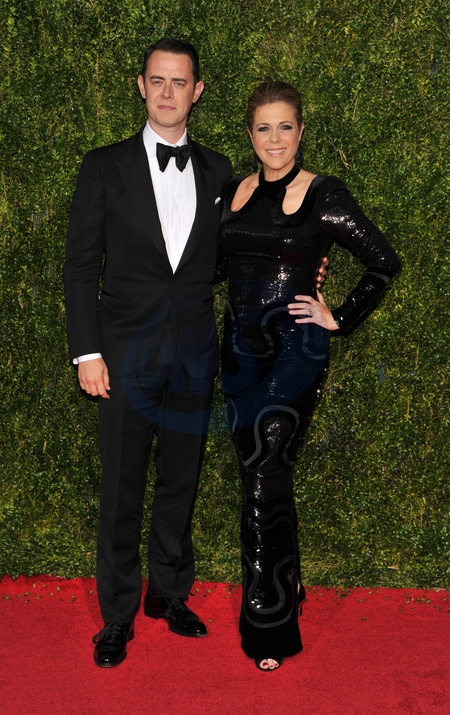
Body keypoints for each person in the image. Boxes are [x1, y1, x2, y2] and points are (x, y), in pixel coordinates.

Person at [218, 81, 401, 671]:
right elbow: (218, 267)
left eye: (285, 127)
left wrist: (338, 316)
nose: (274, 139)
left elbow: (383, 261)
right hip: (238, 354)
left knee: (263, 471)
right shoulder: (234, 192)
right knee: (262, 477)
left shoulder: (325, 194)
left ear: (300, 131)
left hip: (295, 354)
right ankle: (288, 584)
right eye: (263, 128)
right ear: (250, 134)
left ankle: (268, 627)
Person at [64, 38, 233, 667]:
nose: (167, 92)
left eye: (179, 82)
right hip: (122, 354)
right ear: (141, 86)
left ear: (197, 91)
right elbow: (80, 266)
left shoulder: (219, 171)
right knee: (121, 486)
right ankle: (116, 615)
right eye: (157, 80)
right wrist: (87, 353)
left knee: (181, 482)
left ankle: (168, 593)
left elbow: (230, 257)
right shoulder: (103, 166)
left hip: (193, 354)